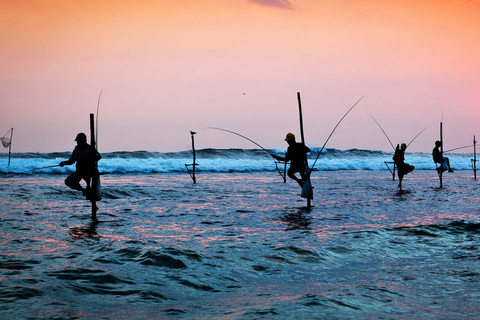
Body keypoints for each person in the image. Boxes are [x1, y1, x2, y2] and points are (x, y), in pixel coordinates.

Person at [59, 133, 101, 198]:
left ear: (84, 140)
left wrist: (89, 161)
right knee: (68, 181)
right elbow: (71, 161)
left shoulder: (90, 149)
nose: (78, 142)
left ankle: (88, 189)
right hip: (79, 171)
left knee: (88, 180)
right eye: (77, 141)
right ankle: (83, 190)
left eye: (79, 140)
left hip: (89, 170)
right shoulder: (76, 150)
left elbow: (98, 157)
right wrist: (64, 163)